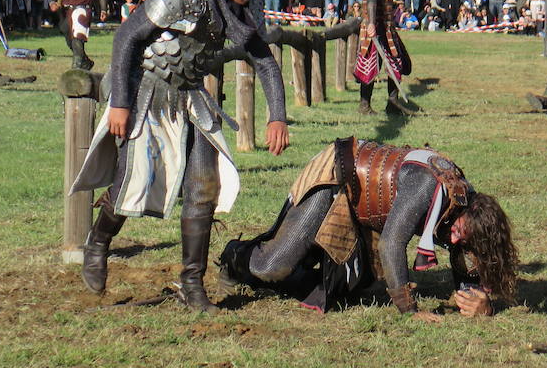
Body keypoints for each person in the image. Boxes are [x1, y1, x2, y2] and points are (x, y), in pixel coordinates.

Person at [71, 0, 290, 312]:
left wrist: (277, 117)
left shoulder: (240, 11)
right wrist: (120, 102)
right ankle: (98, 244)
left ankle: (193, 285)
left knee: (204, 187)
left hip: (189, 96)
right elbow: (128, 38)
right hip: (144, 92)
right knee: (132, 182)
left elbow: (265, 61)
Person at [218, 137, 518, 319]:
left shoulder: (467, 210)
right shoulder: (429, 186)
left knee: (343, 292)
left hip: (366, 210)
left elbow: (467, 264)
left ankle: (306, 256)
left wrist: (482, 304)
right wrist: (408, 310)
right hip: (336, 176)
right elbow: (391, 243)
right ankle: (235, 255)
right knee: (272, 266)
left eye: (463, 239)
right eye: (458, 233)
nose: (453, 239)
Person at [353, 0, 413, 115]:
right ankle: (370, 106)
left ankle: (390, 104)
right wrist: (372, 22)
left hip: (379, 25)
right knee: (380, 63)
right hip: (378, 25)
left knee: (392, 61)